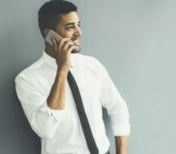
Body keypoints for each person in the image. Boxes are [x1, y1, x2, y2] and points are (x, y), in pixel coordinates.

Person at [14, 0, 130, 154]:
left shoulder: (92, 65)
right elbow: (46, 129)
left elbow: (118, 107)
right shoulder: (27, 79)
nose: (79, 33)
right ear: (49, 34)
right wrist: (62, 70)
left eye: (78, 25)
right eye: (70, 27)